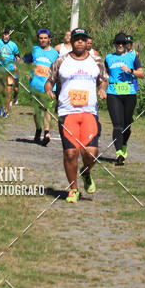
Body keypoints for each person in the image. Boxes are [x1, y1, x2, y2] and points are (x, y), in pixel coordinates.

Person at [45, 28, 108, 203]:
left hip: (89, 112)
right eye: (76, 39)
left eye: (82, 39)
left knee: (91, 152)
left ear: (87, 41)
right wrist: (49, 91)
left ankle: (86, 172)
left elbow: (103, 79)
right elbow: (49, 81)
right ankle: (73, 189)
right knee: (71, 154)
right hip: (67, 112)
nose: (79, 42)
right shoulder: (61, 61)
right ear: (71, 42)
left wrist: (102, 89)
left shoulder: (96, 60)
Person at [104, 33, 144, 165]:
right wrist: (102, 88)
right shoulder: (108, 58)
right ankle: (119, 152)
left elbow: (142, 74)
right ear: (114, 44)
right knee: (117, 124)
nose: (120, 45)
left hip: (129, 93)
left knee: (127, 124)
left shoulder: (132, 56)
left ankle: (124, 144)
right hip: (113, 93)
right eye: (117, 43)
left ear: (127, 45)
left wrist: (131, 71)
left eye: (123, 43)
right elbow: (104, 75)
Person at [22, 28, 59, 145]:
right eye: (41, 38)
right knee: (37, 111)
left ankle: (46, 132)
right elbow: (24, 61)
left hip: (49, 86)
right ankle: (38, 129)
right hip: (35, 85)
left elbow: (57, 69)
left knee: (47, 109)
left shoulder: (54, 53)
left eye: (45, 38)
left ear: (49, 39)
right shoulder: (34, 50)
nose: (43, 40)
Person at [0, 26, 20, 118]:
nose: (6, 36)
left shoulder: (13, 45)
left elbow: (18, 57)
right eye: (5, 34)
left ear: (10, 36)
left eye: (8, 35)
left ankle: (6, 111)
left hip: (9, 70)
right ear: (2, 35)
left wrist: (15, 65)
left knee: (8, 91)